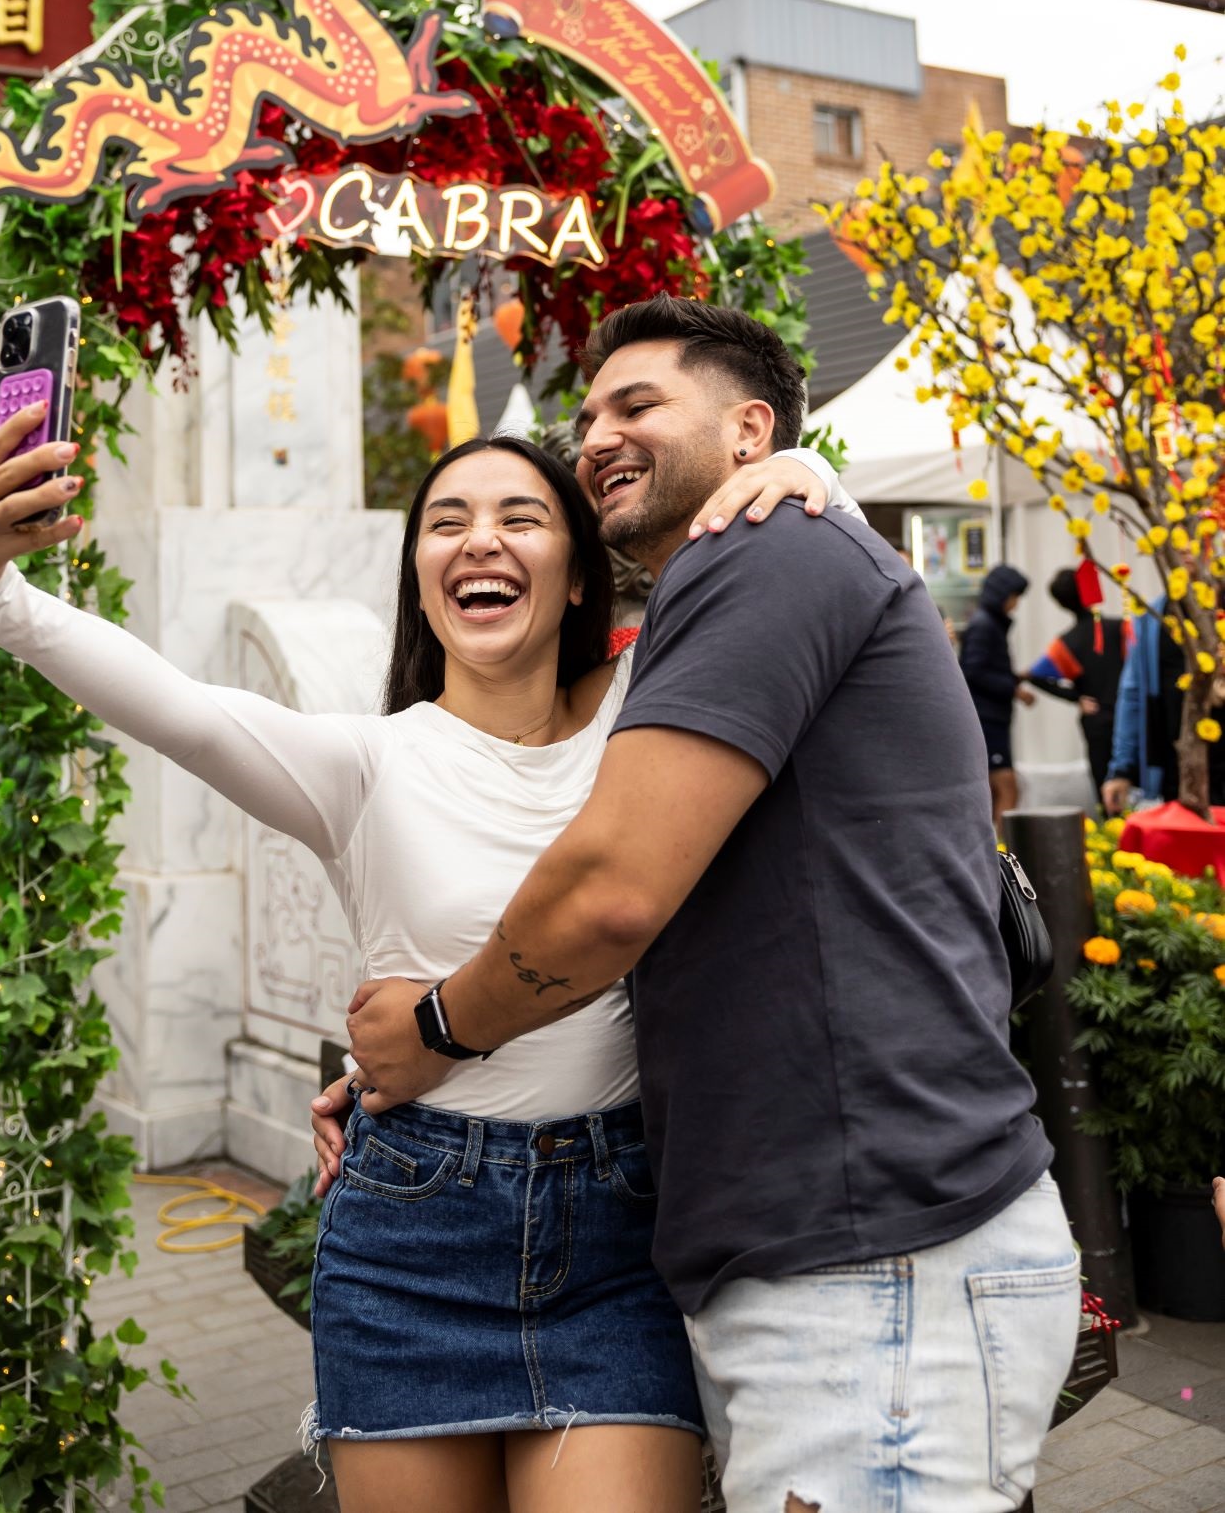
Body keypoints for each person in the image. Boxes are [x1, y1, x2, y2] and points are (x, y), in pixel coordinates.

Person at [0, 384, 854, 1513]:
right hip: (408, 1244)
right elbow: (168, 702)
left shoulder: (653, 716)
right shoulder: (359, 763)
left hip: (623, 1234)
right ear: (421, 574)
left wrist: (804, 475)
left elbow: (803, 580)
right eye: (446, 520)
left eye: (522, 516)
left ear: (577, 572)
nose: (480, 538)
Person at [340, 296, 1079, 1513]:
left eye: (639, 405)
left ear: (749, 432)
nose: (597, 437)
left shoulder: (770, 551)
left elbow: (611, 894)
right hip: (837, 1261)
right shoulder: (747, 566)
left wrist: (433, 1038)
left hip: (875, 1261)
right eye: (588, 416)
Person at [1102, 596, 1225, 815]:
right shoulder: (1151, 620)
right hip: (1173, 771)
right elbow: (1132, 696)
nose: (1186, 559)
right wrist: (1121, 769)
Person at [1025, 568, 1127, 798]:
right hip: (1128, 717)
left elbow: (1035, 676)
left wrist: (1075, 698)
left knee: (1105, 788)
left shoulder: (1067, 642)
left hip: (1097, 721)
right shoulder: (1120, 628)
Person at [959, 561, 1035, 828]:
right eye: (1014, 597)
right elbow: (973, 671)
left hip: (991, 719)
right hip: (987, 720)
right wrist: (1012, 688)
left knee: (994, 792)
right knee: (1007, 789)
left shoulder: (987, 623)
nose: (1015, 604)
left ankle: (991, 859)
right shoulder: (984, 625)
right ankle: (999, 860)